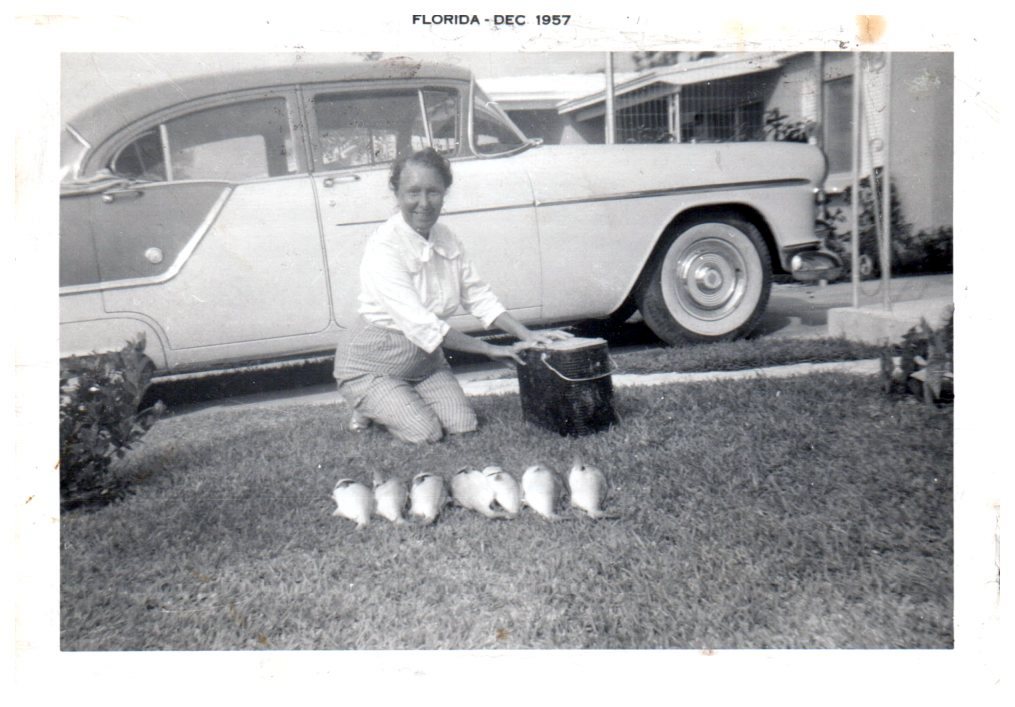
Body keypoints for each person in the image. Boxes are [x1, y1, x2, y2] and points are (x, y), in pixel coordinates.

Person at [334, 147, 570, 443]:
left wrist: (526, 334)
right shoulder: (383, 247)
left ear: (445, 193)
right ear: (397, 194)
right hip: (372, 364)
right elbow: (423, 325)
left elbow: (478, 296)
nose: (423, 203)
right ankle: (367, 404)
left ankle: (399, 398)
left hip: (425, 362)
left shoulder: (446, 237)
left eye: (433, 192)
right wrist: (489, 349)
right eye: (413, 192)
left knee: (463, 425)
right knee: (425, 433)